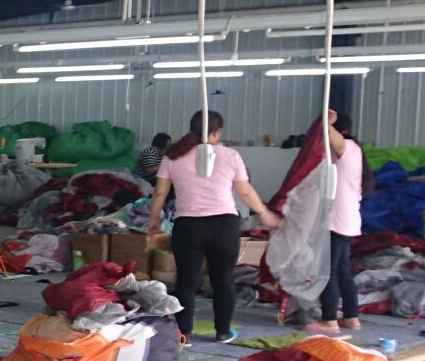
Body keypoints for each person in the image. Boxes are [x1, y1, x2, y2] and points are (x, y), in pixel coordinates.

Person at [145, 111, 281, 344]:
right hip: (224, 227)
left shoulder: (173, 156)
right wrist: (264, 213)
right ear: (216, 132)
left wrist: (154, 218)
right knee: (224, 280)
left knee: (187, 281)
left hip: (188, 227)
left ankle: (184, 333)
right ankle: (223, 331)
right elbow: (245, 192)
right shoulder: (230, 155)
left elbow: (160, 192)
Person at [277, 110, 371, 336]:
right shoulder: (350, 152)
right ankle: (351, 317)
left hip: (335, 219)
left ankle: (329, 320)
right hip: (345, 218)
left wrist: (326, 122)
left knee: (326, 270)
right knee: (342, 269)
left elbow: (329, 135)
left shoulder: (347, 147)